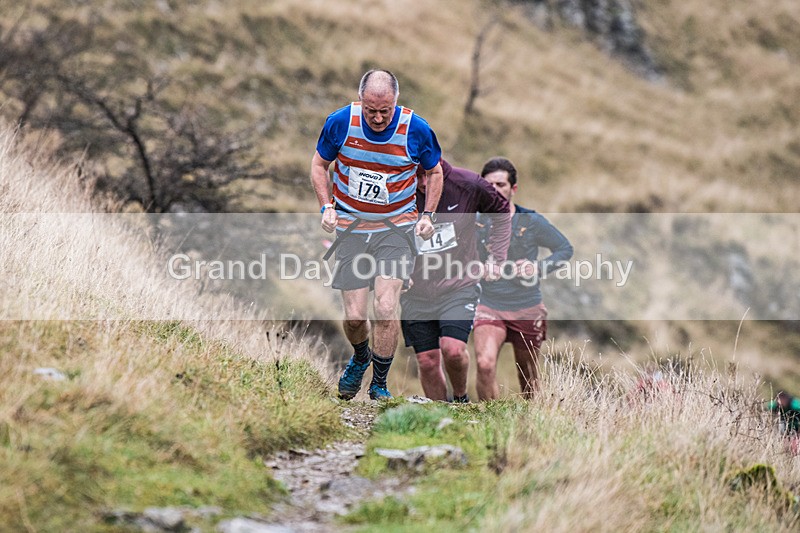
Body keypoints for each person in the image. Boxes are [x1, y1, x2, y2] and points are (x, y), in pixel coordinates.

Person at [310, 69, 443, 401]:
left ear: (396, 101)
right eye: (371, 111)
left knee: (385, 306)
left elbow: (435, 170)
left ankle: (379, 383)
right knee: (355, 317)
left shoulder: (416, 128)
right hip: (352, 228)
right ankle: (360, 357)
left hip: (396, 228)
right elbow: (318, 165)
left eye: (386, 110)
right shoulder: (341, 122)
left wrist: (428, 215)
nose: (379, 117)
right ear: (361, 101)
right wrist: (327, 206)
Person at [400, 158, 511, 402]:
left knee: (453, 350)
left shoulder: (468, 184)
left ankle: (460, 400)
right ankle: (441, 416)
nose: (420, 184)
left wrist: (497, 258)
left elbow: (502, 212)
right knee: (427, 361)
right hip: (416, 289)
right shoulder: (398, 186)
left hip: (459, 285)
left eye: (426, 177)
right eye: (414, 177)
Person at [473, 157, 573, 400]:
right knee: (485, 365)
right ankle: (490, 421)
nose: (494, 190)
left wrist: (537, 268)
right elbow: (457, 257)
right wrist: (477, 268)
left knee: (528, 377)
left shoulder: (531, 221)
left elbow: (564, 249)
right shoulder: (475, 221)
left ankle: (530, 425)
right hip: (488, 305)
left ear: (513, 189)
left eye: (500, 185)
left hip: (527, 306)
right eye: (489, 186)